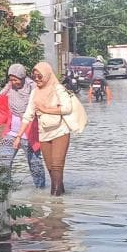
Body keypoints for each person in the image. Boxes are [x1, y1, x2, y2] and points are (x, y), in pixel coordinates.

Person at [20, 61, 75, 196]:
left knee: (57, 165)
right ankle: (59, 200)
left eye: (40, 76)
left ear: (47, 75)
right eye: (35, 77)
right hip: (44, 132)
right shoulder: (35, 93)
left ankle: (54, 199)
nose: (37, 79)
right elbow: (28, 115)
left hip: (60, 131)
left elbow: (67, 108)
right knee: (51, 168)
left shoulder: (58, 89)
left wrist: (46, 109)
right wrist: (18, 136)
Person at [0, 64, 46, 187]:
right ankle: (4, 190)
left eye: (16, 79)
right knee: (4, 162)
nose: (14, 82)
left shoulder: (33, 88)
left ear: (23, 77)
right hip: (11, 133)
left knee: (35, 165)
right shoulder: (9, 87)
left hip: (29, 134)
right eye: (11, 79)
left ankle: (40, 192)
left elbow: (42, 106)